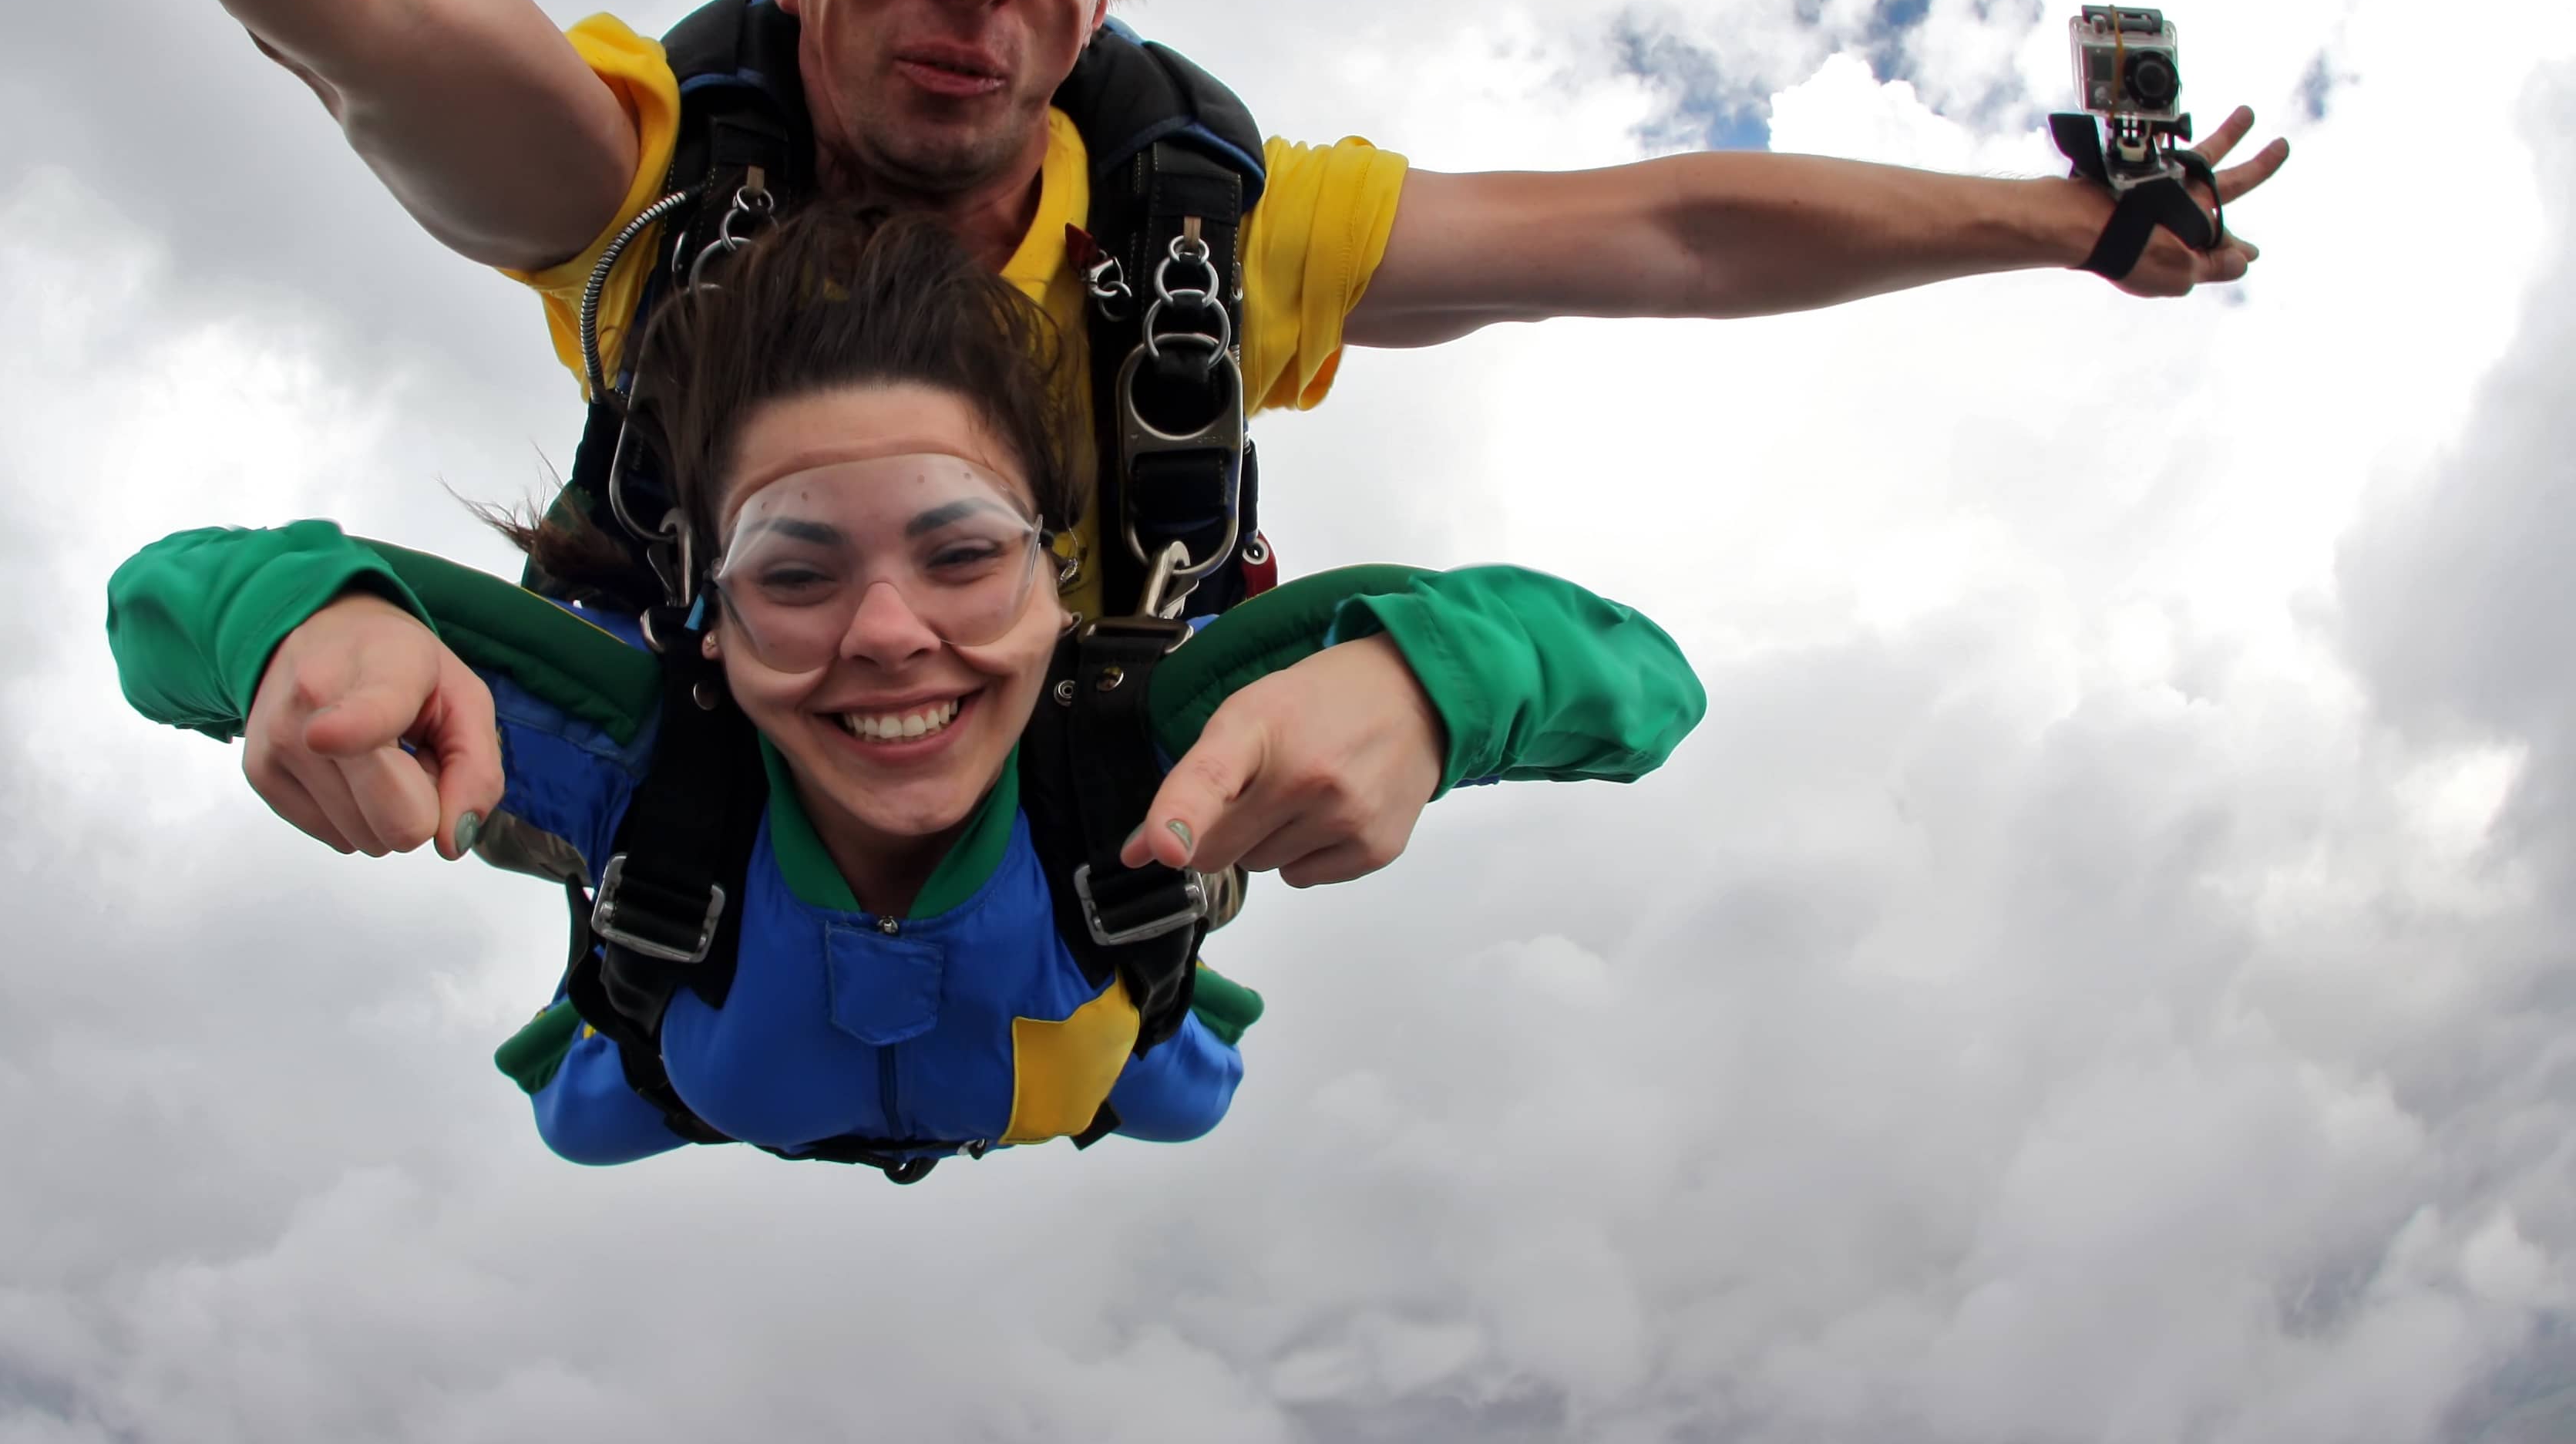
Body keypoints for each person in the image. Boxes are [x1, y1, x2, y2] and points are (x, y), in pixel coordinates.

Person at [0, 0, 2290, 888]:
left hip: (1104, 751)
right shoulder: (642, 179)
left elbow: (1655, 232)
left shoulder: (1204, 229)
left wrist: (2059, 224)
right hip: (737, 744)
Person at [106, 207, 1707, 1176]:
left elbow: (1650, 683)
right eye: (798, 571)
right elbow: (155, 609)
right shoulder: (643, 765)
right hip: (683, 1059)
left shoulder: (1157, 751)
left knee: (1177, 1091)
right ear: (711, 625)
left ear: (1050, 585)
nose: (887, 635)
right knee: (587, 1115)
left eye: (962, 557)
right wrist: (295, 627)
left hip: (1091, 1048)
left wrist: (1437, 680)